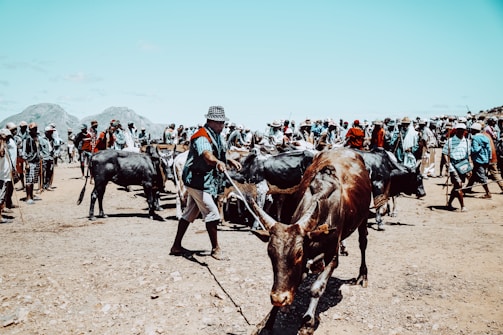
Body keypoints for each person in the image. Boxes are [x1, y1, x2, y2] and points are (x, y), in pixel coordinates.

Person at [170, 106, 241, 260]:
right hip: (197, 180)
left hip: (203, 180)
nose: (223, 126)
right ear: (211, 121)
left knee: (189, 213)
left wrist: (228, 160)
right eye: (220, 123)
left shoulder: (215, 135)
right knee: (213, 213)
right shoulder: (202, 136)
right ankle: (216, 249)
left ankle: (176, 246)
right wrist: (217, 162)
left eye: (223, 123)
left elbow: (215, 153)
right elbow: (207, 155)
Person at [442, 123, 469, 212]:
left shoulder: (467, 141)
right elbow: (445, 153)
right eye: (459, 129)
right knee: (459, 184)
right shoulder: (450, 141)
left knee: (456, 187)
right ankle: (463, 206)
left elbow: (468, 155)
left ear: (465, 131)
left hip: (463, 165)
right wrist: (447, 164)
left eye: (462, 130)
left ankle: (449, 203)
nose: (461, 131)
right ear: (456, 130)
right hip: (453, 165)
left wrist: (469, 166)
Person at [464, 122, 492, 198]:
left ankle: (488, 192)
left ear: (474, 130)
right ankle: (468, 188)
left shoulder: (475, 138)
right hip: (485, 159)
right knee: (474, 174)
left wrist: (478, 147)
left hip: (478, 159)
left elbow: (475, 150)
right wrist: (489, 158)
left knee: (481, 176)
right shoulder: (485, 138)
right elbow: (489, 150)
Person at [21, 122, 42, 204]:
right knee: (29, 180)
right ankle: (28, 197)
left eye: (36, 129)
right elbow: (24, 152)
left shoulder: (36, 138)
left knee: (33, 179)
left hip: (36, 161)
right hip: (30, 161)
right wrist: (26, 163)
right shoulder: (27, 139)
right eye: (34, 129)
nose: (35, 130)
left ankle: (31, 196)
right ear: (30, 130)